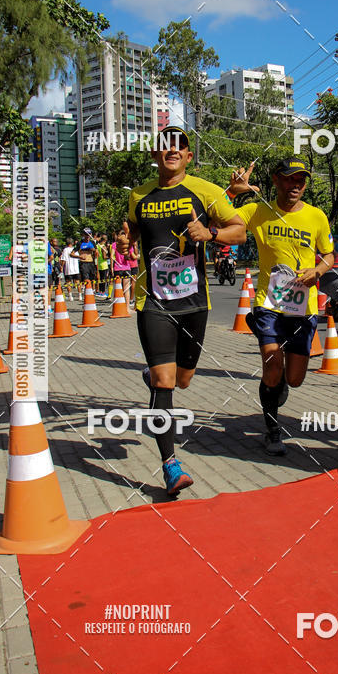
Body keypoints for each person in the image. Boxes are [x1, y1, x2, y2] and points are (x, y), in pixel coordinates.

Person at [122, 126, 246, 495]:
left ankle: (156, 376)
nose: (172, 150)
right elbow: (132, 230)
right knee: (165, 383)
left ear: (189, 156)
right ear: (155, 155)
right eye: (165, 146)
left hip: (194, 302)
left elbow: (239, 230)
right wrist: (126, 238)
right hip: (153, 301)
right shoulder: (139, 195)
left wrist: (211, 234)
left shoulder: (206, 191)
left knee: (183, 380)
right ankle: (170, 464)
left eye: (179, 146)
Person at [229, 158, 335, 456]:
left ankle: (278, 385)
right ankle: (272, 428)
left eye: (301, 180)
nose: (295, 185)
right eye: (289, 178)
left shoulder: (316, 216)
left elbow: (329, 255)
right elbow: (219, 220)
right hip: (269, 303)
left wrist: (318, 270)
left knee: (294, 379)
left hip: (303, 308)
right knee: (273, 366)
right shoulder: (258, 211)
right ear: (276, 180)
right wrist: (233, 191)